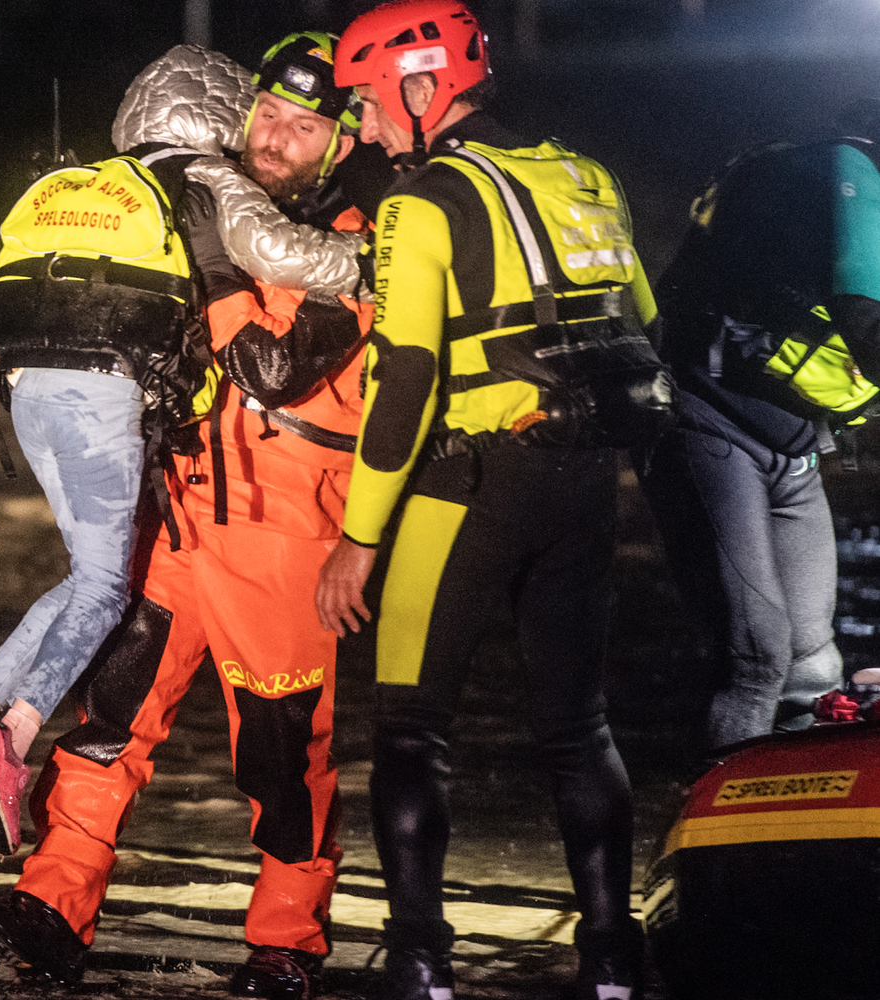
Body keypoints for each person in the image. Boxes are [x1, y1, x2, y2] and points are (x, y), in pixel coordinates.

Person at [0, 35, 373, 1000]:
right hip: (175, 510)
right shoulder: (211, 205)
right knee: (108, 721)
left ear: (340, 141)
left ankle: (285, 943)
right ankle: (50, 906)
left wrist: (217, 256)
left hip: (284, 536)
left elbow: (276, 365)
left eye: (305, 126)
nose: (275, 136)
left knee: (281, 753)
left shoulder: (357, 238)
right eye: (266, 112)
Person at [316, 3, 671, 999]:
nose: (368, 131)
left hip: (467, 482)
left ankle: (422, 961)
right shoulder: (586, 177)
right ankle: (611, 959)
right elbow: (645, 325)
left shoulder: (421, 204)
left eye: (370, 105)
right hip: (586, 479)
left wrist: (357, 538)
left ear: (422, 88)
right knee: (578, 725)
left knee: (410, 727)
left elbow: (406, 380)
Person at [0, 48, 238, 856]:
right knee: (102, 586)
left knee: (91, 573)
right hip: (100, 396)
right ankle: (11, 738)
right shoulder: (192, 193)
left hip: (24, 390)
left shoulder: (82, 187)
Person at [640, 98, 880, 756]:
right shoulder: (845, 170)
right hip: (713, 426)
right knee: (757, 662)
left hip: (790, 440)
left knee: (814, 665)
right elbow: (864, 322)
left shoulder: (809, 163)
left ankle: (794, 841)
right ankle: (713, 850)